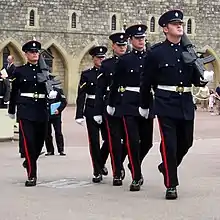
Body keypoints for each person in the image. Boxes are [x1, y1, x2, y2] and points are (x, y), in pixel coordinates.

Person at [139, 10, 205, 199]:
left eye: (180, 23)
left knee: (186, 142)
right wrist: (144, 104)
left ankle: (165, 166)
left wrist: (202, 80)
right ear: (165, 28)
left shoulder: (189, 51)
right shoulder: (156, 53)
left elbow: (193, 78)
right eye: (175, 23)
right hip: (165, 102)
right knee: (169, 144)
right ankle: (171, 184)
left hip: (185, 102)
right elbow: (146, 81)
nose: (179, 26)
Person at [107, 24, 154, 191]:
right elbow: (115, 84)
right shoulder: (124, 60)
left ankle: (134, 164)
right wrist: (111, 103)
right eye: (138, 38)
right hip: (129, 103)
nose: (141, 41)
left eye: (143, 38)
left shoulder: (151, 57)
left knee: (147, 141)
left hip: (147, 102)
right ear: (131, 40)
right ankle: (136, 175)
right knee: (132, 141)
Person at [8, 40, 50, 187]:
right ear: (26, 54)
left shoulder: (44, 70)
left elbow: (50, 87)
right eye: (32, 52)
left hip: (41, 109)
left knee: (39, 141)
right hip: (26, 109)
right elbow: (14, 92)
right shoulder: (19, 71)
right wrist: (12, 110)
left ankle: (29, 161)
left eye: (37, 52)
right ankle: (32, 175)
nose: (35, 54)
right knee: (28, 141)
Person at [93, 32, 128, 186]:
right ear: (113, 46)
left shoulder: (132, 61)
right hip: (112, 105)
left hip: (129, 104)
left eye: (124, 45)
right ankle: (117, 172)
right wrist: (97, 111)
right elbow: (100, 90)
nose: (122, 47)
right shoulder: (106, 65)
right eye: (119, 45)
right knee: (114, 140)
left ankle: (117, 162)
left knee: (129, 140)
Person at [75, 46, 109, 183]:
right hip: (91, 108)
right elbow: (81, 95)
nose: (101, 60)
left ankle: (101, 162)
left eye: (103, 57)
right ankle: (96, 170)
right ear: (93, 59)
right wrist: (79, 114)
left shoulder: (109, 72)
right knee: (94, 141)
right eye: (98, 58)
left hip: (106, 108)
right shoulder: (87, 74)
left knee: (109, 139)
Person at [45, 75, 67, 156]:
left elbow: (64, 102)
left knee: (58, 132)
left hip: (56, 114)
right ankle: (50, 150)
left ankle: (61, 150)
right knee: (47, 133)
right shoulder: (43, 90)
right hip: (46, 114)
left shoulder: (58, 90)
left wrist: (59, 110)